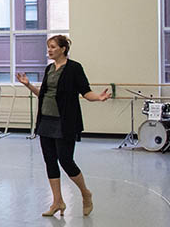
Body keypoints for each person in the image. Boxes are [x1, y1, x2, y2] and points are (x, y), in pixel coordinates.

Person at [15, 35, 110, 217]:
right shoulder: (49, 68)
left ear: (63, 49)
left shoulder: (74, 68)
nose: (49, 50)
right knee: (50, 161)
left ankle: (85, 193)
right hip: (46, 121)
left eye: (53, 47)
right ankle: (58, 201)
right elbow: (44, 94)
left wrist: (98, 97)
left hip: (64, 122)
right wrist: (28, 86)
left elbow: (85, 91)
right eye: (48, 47)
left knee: (66, 160)